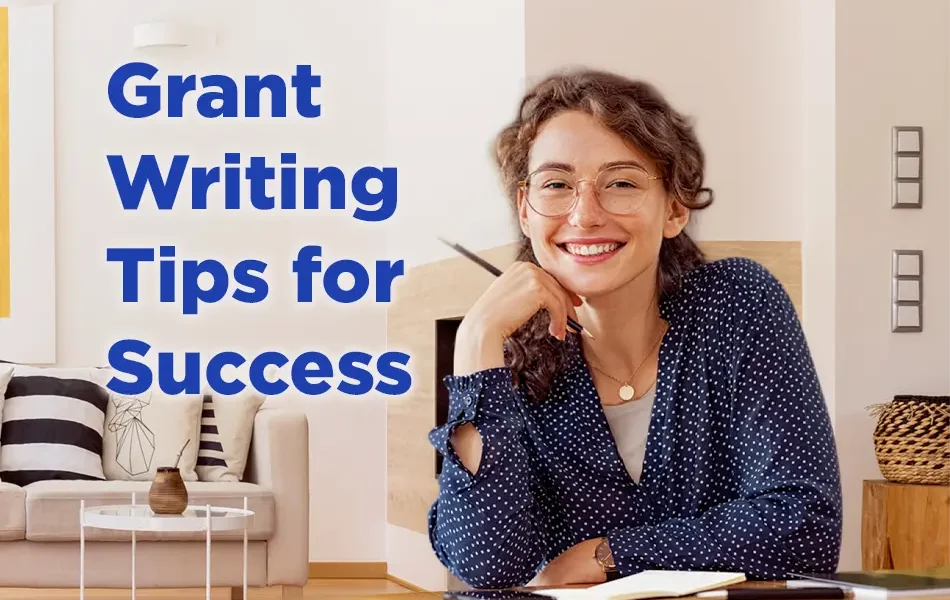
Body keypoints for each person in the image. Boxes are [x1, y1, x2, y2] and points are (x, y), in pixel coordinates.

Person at [426, 68, 842, 590]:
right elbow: (486, 564)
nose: (585, 215)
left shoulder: (736, 303)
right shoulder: (505, 366)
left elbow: (807, 526)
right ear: (525, 212)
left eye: (621, 183)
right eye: (556, 185)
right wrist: (475, 339)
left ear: (674, 209)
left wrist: (609, 553)